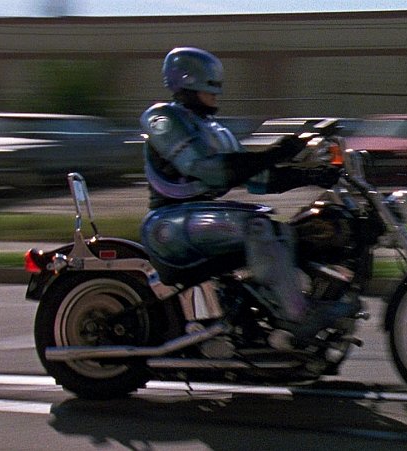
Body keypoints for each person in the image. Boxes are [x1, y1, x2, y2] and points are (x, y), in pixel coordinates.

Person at [139, 47, 346, 350]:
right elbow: (210, 171)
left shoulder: (214, 129)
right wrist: (280, 151)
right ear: (189, 83)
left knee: (287, 230)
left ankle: (267, 314)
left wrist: (313, 175)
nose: (217, 94)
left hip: (197, 218)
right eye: (211, 88)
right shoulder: (163, 119)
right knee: (257, 227)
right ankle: (296, 317)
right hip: (168, 223)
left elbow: (258, 178)